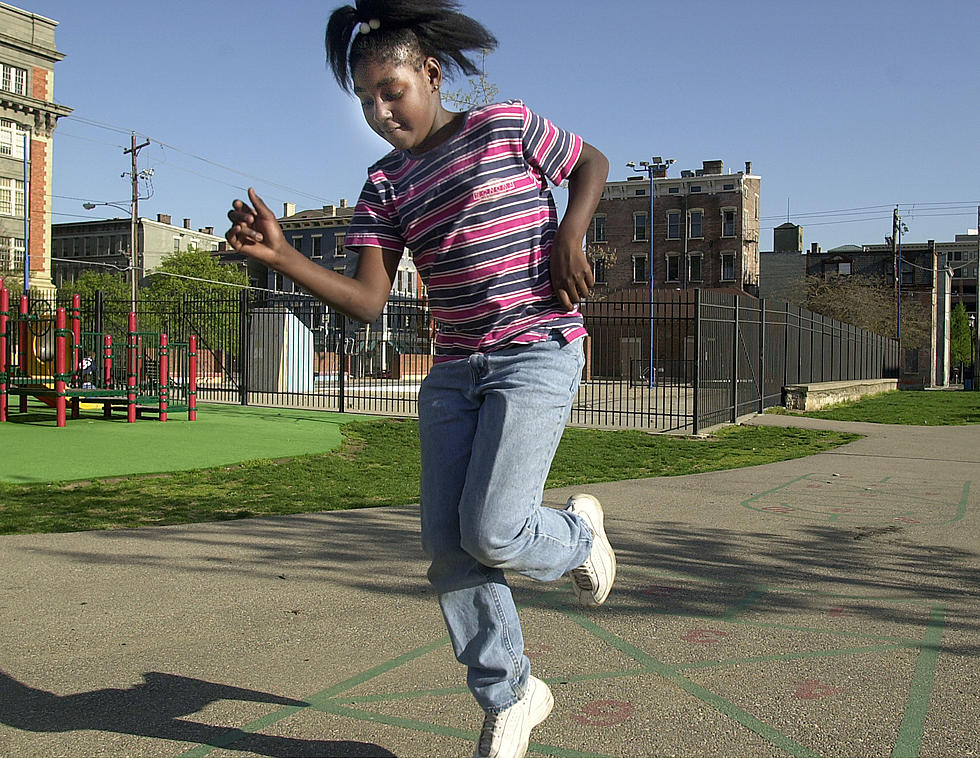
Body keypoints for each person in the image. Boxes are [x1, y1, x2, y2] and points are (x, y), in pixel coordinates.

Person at [226, 2, 615, 755]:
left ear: (431, 75)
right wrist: (282, 259)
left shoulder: (504, 125)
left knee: (495, 528)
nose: (380, 112)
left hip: (537, 348)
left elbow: (591, 162)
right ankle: (512, 694)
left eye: (392, 91)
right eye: (366, 100)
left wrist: (572, 233)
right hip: (454, 373)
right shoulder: (385, 184)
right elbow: (369, 302)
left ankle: (578, 535)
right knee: (448, 545)